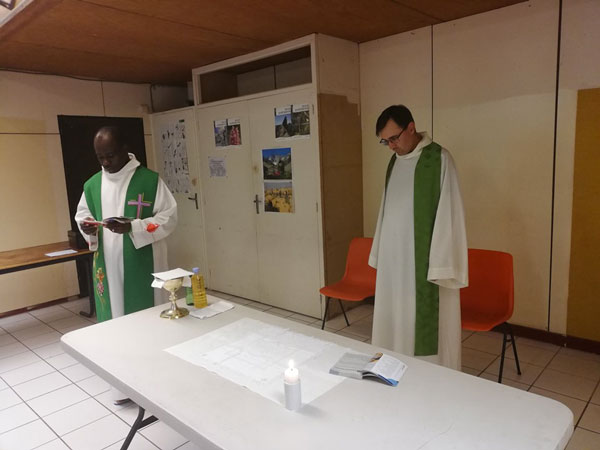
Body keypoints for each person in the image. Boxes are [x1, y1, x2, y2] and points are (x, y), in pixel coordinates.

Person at [75, 126, 177, 402]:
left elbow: (168, 218)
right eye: (100, 157)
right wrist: (87, 227)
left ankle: (152, 382)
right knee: (114, 325)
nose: (106, 162)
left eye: (110, 155)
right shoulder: (92, 185)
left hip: (142, 263)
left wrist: (134, 226)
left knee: (145, 325)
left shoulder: (149, 181)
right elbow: (82, 216)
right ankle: (120, 386)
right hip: (107, 267)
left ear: (124, 149)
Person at [369, 105, 468, 370]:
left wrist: (441, 264)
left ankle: (431, 378)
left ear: (411, 128)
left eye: (394, 138)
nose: (391, 146)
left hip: (425, 265)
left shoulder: (439, 160)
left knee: (424, 328)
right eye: (385, 141)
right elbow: (386, 209)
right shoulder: (394, 162)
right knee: (393, 324)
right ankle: (392, 370)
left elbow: (449, 214)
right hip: (394, 262)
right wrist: (380, 251)